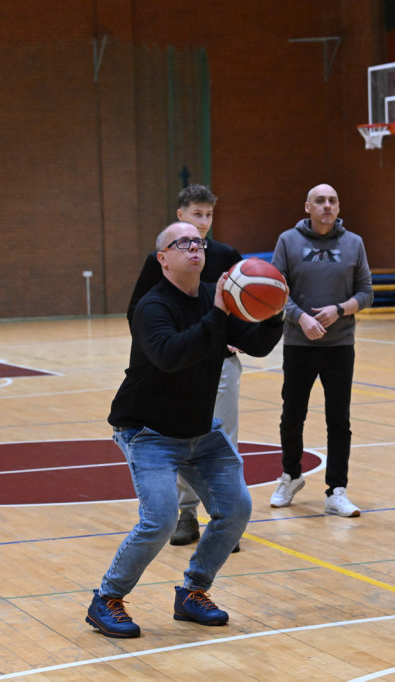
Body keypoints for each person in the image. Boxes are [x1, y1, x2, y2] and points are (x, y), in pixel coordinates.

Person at [86, 221, 284, 638]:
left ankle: (193, 593)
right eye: (183, 243)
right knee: (159, 520)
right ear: (163, 258)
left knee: (236, 509)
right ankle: (106, 598)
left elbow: (259, 344)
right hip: (149, 432)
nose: (195, 247)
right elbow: (172, 355)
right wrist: (219, 313)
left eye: (200, 241)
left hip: (200, 432)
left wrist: (273, 310)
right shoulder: (152, 306)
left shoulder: (218, 298)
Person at [127, 185, 244, 550]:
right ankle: (187, 513)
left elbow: (242, 308)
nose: (203, 223)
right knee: (180, 437)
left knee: (223, 438)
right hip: (177, 362)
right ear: (181, 215)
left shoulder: (225, 255)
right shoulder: (159, 260)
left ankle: (223, 518)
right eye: (197, 214)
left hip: (219, 362)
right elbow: (139, 311)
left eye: (208, 215)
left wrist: (238, 331)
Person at [269, 183, 374, 517]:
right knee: (292, 416)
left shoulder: (354, 243)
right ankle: (290, 476)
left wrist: (339, 310)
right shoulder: (288, 241)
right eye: (320, 201)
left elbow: (367, 292)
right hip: (299, 343)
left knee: (338, 419)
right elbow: (274, 291)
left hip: (340, 344)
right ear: (307, 207)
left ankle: (337, 491)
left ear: (338, 207)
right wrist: (301, 318)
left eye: (332, 201)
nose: (327, 205)